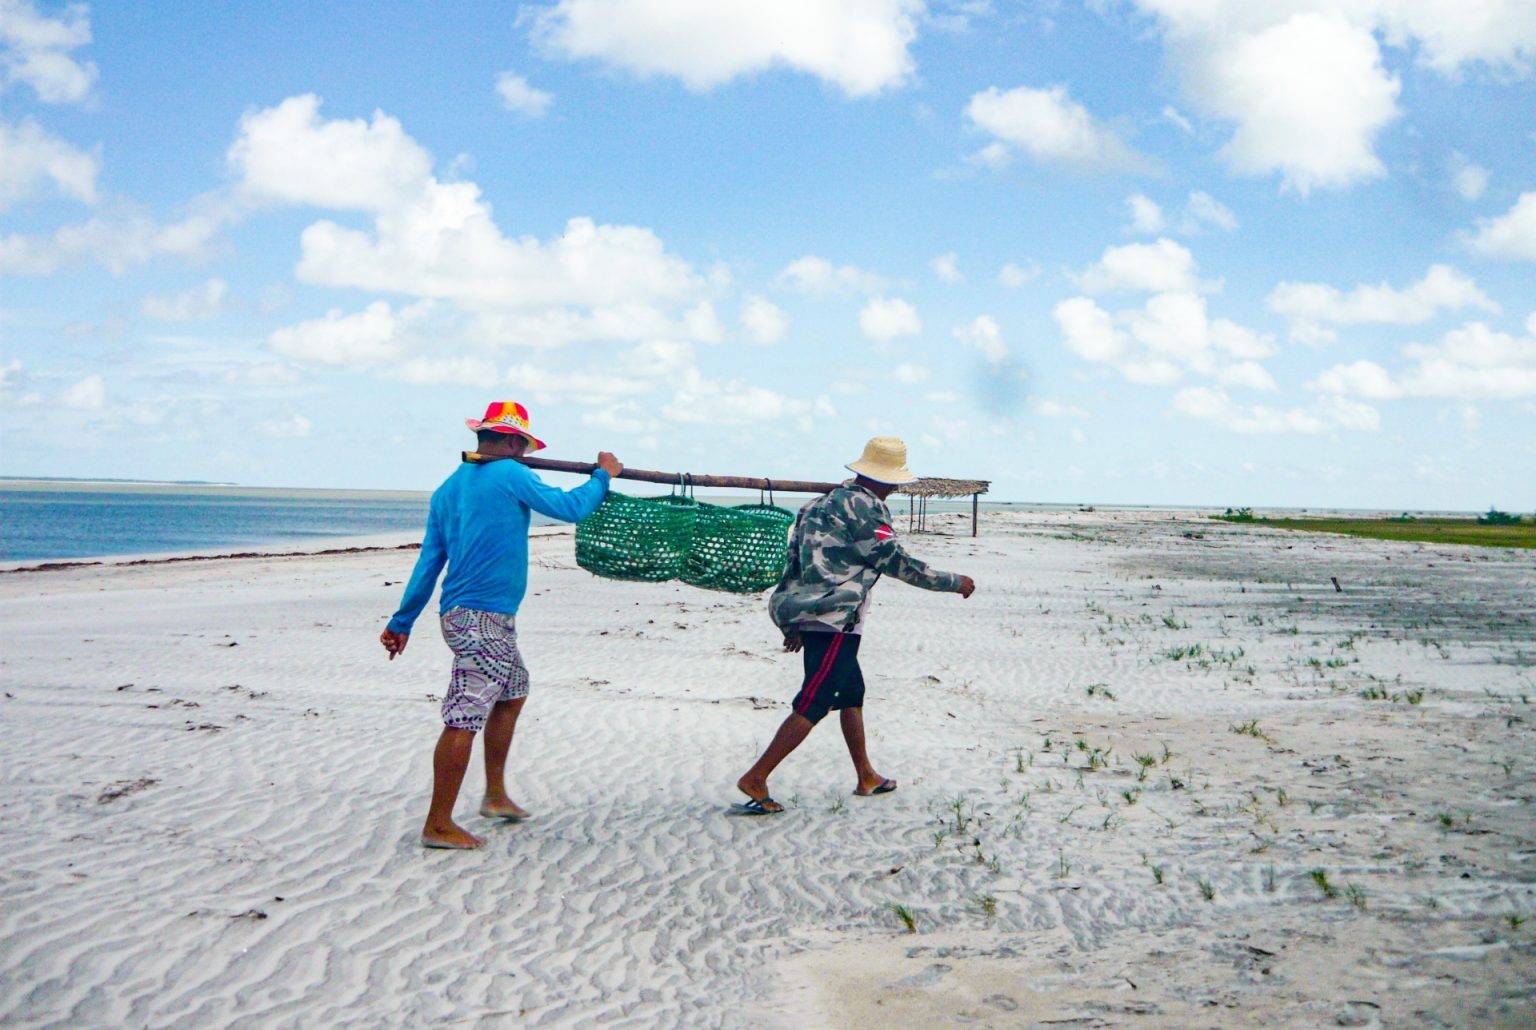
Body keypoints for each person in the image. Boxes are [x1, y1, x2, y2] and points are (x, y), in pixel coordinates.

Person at [380, 401, 621, 849]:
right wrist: (603, 476)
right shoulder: (511, 473)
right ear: (512, 442)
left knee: (513, 693)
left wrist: (403, 619)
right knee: (464, 716)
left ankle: (494, 795)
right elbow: (570, 508)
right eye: (523, 445)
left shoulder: (447, 489)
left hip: (467, 615)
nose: (525, 452)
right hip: (480, 618)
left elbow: (429, 562)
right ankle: (438, 824)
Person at [733, 436, 975, 815]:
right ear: (887, 479)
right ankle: (756, 777)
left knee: (851, 693)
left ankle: (866, 775)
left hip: (812, 613)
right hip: (835, 620)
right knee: (814, 702)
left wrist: (791, 621)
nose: (894, 489)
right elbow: (894, 561)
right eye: (894, 482)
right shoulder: (868, 509)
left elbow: (793, 563)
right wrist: (953, 582)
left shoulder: (817, 505)